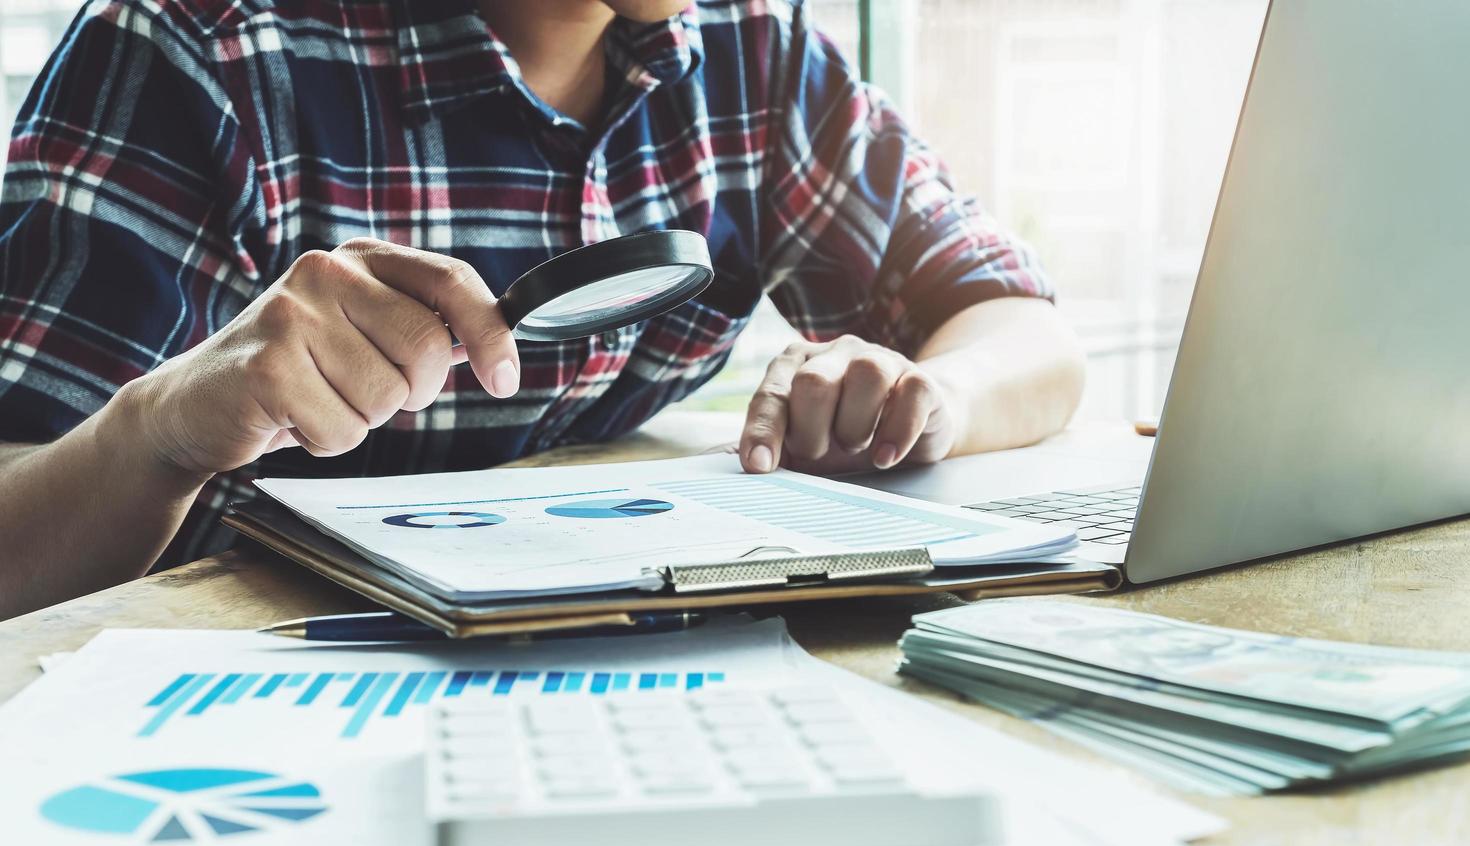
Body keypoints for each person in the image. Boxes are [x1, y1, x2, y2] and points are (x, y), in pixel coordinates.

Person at [0, 0, 1084, 618]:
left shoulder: (760, 59)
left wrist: (931, 392)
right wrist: (156, 429)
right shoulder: (200, 48)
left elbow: (1023, 327)